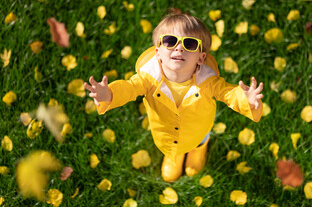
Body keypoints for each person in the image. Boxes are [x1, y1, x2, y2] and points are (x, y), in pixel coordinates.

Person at [84, 13, 264, 182]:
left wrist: (245, 99)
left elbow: (228, 93)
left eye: (190, 44)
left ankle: (199, 150)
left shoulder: (209, 82)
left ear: (201, 58)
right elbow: (129, 88)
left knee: (200, 137)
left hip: (198, 127)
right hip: (167, 132)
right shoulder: (148, 79)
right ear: (157, 52)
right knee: (173, 146)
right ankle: (174, 156)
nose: (179, 47)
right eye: (170, 41)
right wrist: (109, 94)